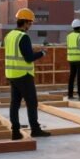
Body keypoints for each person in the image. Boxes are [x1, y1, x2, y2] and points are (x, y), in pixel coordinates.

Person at [4, 8, 51, 140]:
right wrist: (42, 53)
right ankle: (35, 129)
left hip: (12, 74)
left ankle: (15, 132)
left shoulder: (9, 36)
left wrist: (32, 49)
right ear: (24, 22)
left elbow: (17, 52)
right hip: (24, 74)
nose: (30, 25)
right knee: (31, 103)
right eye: (30, 23)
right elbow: (28, 57)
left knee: (15, 104)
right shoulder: (23, 37)